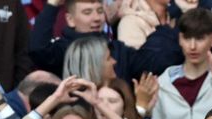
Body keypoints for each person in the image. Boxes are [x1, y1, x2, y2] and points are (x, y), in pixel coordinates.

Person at [28, 0, 182, 79]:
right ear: (70, 19)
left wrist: (166, 28)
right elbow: (38, 49)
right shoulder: (63, 51)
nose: (96, 18)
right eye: (87, 12)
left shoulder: (117, 50)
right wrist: (53, 5)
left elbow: (153, 63)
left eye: (100, 11)